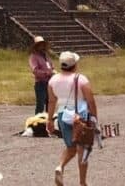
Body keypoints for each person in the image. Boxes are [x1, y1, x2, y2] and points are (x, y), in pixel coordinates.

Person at [46, 51, 97, 186]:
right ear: (74, 65)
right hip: (80, 117)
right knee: (83, 150)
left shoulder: (53, 80)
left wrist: (49, 119)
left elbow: (51, 101)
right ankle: (82, 182)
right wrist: (94, 118)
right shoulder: (81, 79)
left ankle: (60, 166)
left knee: (71, 147)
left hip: (63, 115)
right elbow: (90, 100)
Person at [30, 36, 55, 114]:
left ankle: (48, 119)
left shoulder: (46, 56)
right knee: (40, 105)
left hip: (49, 83)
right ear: (36, 46)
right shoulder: (33, 57)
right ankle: (37, 120)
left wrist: (53, 71)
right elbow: (35, 71)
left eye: (43, 44)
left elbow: (51, 66)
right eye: (40, 45)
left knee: (49, 103)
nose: (42, 46)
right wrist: (48, 73)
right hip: (40, 84)